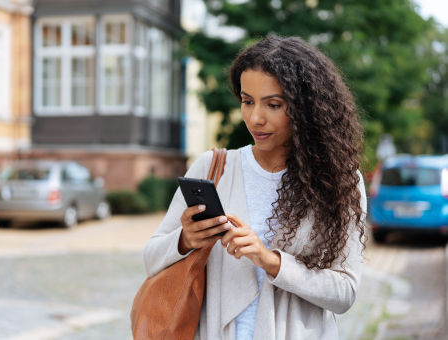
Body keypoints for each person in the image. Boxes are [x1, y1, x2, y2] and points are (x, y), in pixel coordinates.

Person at [143, 36, 367, 340]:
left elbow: (345, 293)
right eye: (247, 101)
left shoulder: (340, 181)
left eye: (273, 104)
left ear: (307, 108)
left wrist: (270, 261)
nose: (255, 118)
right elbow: (151, 257)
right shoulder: (214, 168)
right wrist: (185, 240)